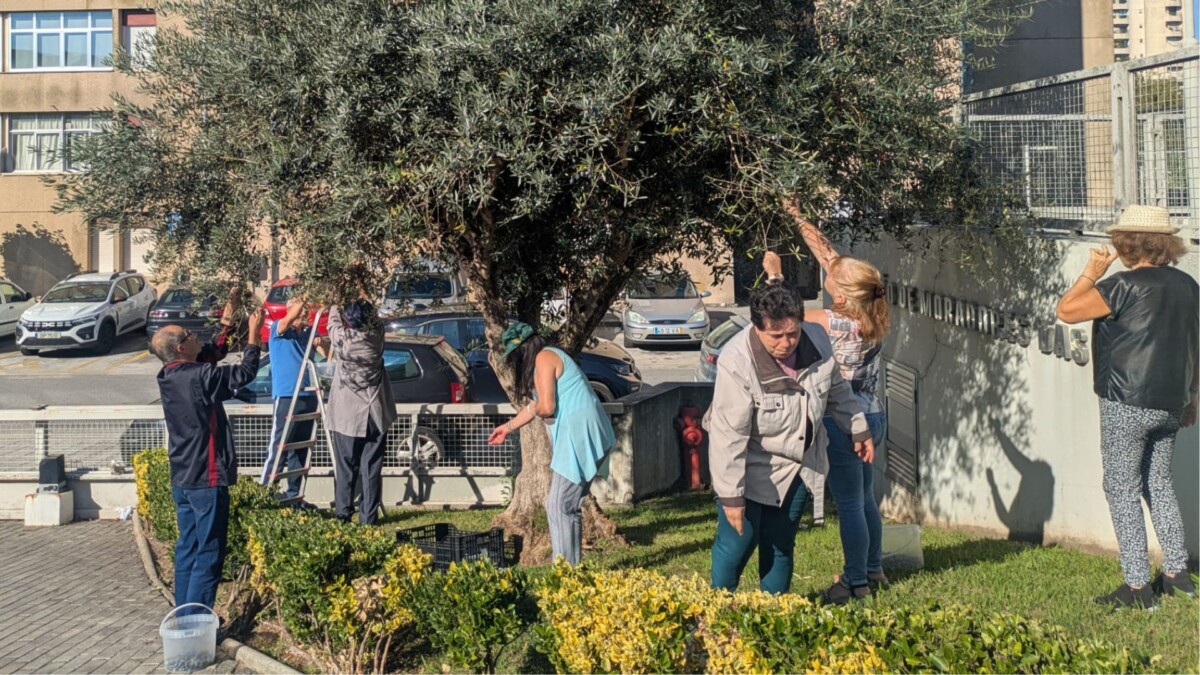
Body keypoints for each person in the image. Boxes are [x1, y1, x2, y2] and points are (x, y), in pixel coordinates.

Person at [1056, 204, 1198, 609]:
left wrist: (1091, 273)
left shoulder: (1120, 286)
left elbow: (1065, 311)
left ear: (1125, 244)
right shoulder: (1189, 286)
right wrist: (1193, 396)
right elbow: (1195, 345)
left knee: (1121, 488)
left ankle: (1137, 587)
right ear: (1165, 244)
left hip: (1127, 401)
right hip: (1172, 400)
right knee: (1159, 483)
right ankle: (1177, 575)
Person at [707, 282, 874, 594]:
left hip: (797, 464)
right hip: (749, 465)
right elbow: (728, 437)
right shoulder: (736, 361)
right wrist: (732, 497)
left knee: (780, 544)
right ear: (757, 329)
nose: (787, 343)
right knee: (736, 546)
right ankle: (713, 618)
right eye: (776, 336)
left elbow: (836, 389)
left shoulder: (819, 339)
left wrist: (857, 427)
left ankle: (774, 616)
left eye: (793, 333)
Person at [776, 198, 892, 604]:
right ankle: (874, 566)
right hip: (875, 415)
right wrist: (797, 215)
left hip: (846, 423)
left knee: (850, 504)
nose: (831, 265)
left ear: (842, 293)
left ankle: (855, 582)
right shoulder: (874, 310)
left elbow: (784, 319)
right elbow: (829, 255)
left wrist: (775, 277)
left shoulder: (831, 321)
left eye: (836, 273)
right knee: (865, 497)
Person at [150, 287, 263, 613]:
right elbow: (244, 374)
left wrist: (230, 313)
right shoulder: (199, 378)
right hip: (206, 477)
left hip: (183, 477)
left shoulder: (170, 374)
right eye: (189, 334)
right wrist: (254, 338)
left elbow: (213, 352)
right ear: (182, 347)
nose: (197, 336)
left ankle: (182, 614)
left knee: (188, 546)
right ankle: (197, 618)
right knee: (209, 550)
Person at [487, 322, 615, 565]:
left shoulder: (544, 358)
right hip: (584, 432)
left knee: (558, 505)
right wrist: (508, 427)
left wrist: (545, 416)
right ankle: (571, 568)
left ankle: (564, 570)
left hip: (578, 434)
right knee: (566, 505)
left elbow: (546, 407)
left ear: (523, 349)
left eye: (514, 355)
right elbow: (537, 406)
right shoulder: (551, 355)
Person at [326, 297, 395, 525]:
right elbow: (376, 320)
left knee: (346, 467)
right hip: (375, 412)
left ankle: (343, 515)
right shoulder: (376, 337)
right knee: (371, 468)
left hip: (347, 415)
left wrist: (336, 298)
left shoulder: (342, 339)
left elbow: (332, 322)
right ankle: (368, 517)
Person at [260, 296, 319, 504]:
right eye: (299, 309)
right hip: (286, 395)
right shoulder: (279, 329)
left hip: (307, 395)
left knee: (300, 449)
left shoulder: (308, 333)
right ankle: (265, 494)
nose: (302, 313)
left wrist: (322, 342)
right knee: (279, 447)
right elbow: (290, 316)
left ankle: (294, 495)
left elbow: (327, 354)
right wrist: (305, 296)